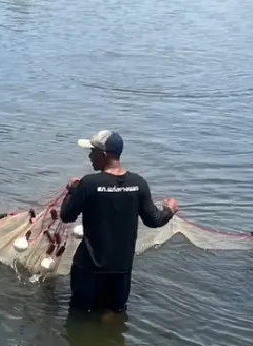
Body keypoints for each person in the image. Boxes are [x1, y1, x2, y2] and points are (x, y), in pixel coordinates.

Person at [59, 130, 177, 316]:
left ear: (104, 155)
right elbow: (154, 220)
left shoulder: (88, 184)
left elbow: (66, 216)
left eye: (92, 152)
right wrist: (169, 210)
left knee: (80, 315)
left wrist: (73, 190)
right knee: (112, 315)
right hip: (120, 269)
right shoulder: (138, 183)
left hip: (89, 268)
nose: (90, 156)